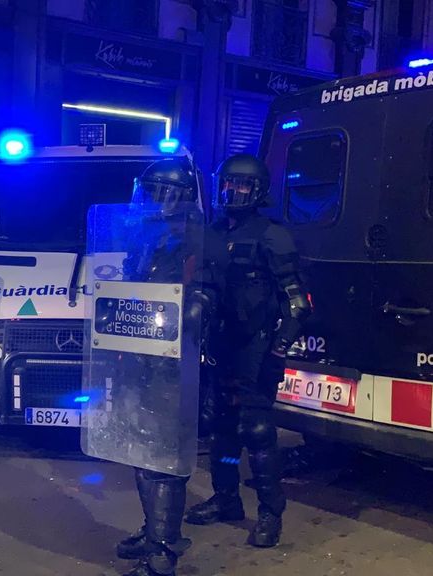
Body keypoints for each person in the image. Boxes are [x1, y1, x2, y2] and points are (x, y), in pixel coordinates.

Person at [184, 154, 310, 548]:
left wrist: (279, 347)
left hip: (256, 349)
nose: (232, 191)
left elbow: (297, 302)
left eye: (240, 185)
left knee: (255, 432)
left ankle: (270, 513)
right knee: (220, 431)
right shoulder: (212, 231)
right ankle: (226, 500)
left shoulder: (272, 235)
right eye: (227, 183)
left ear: (256, 191)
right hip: (219, 345)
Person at [108, 157, 223, 576]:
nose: (155, 199)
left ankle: (162, 553)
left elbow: (206, 294)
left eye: (163, 192)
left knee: (162, 458)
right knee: (141, 447)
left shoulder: (196, 238)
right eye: (152, 191)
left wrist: (187, 309)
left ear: (180, 197)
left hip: (173, 361)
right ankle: (154, 530)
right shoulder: (145, 235)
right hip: (140, 354)